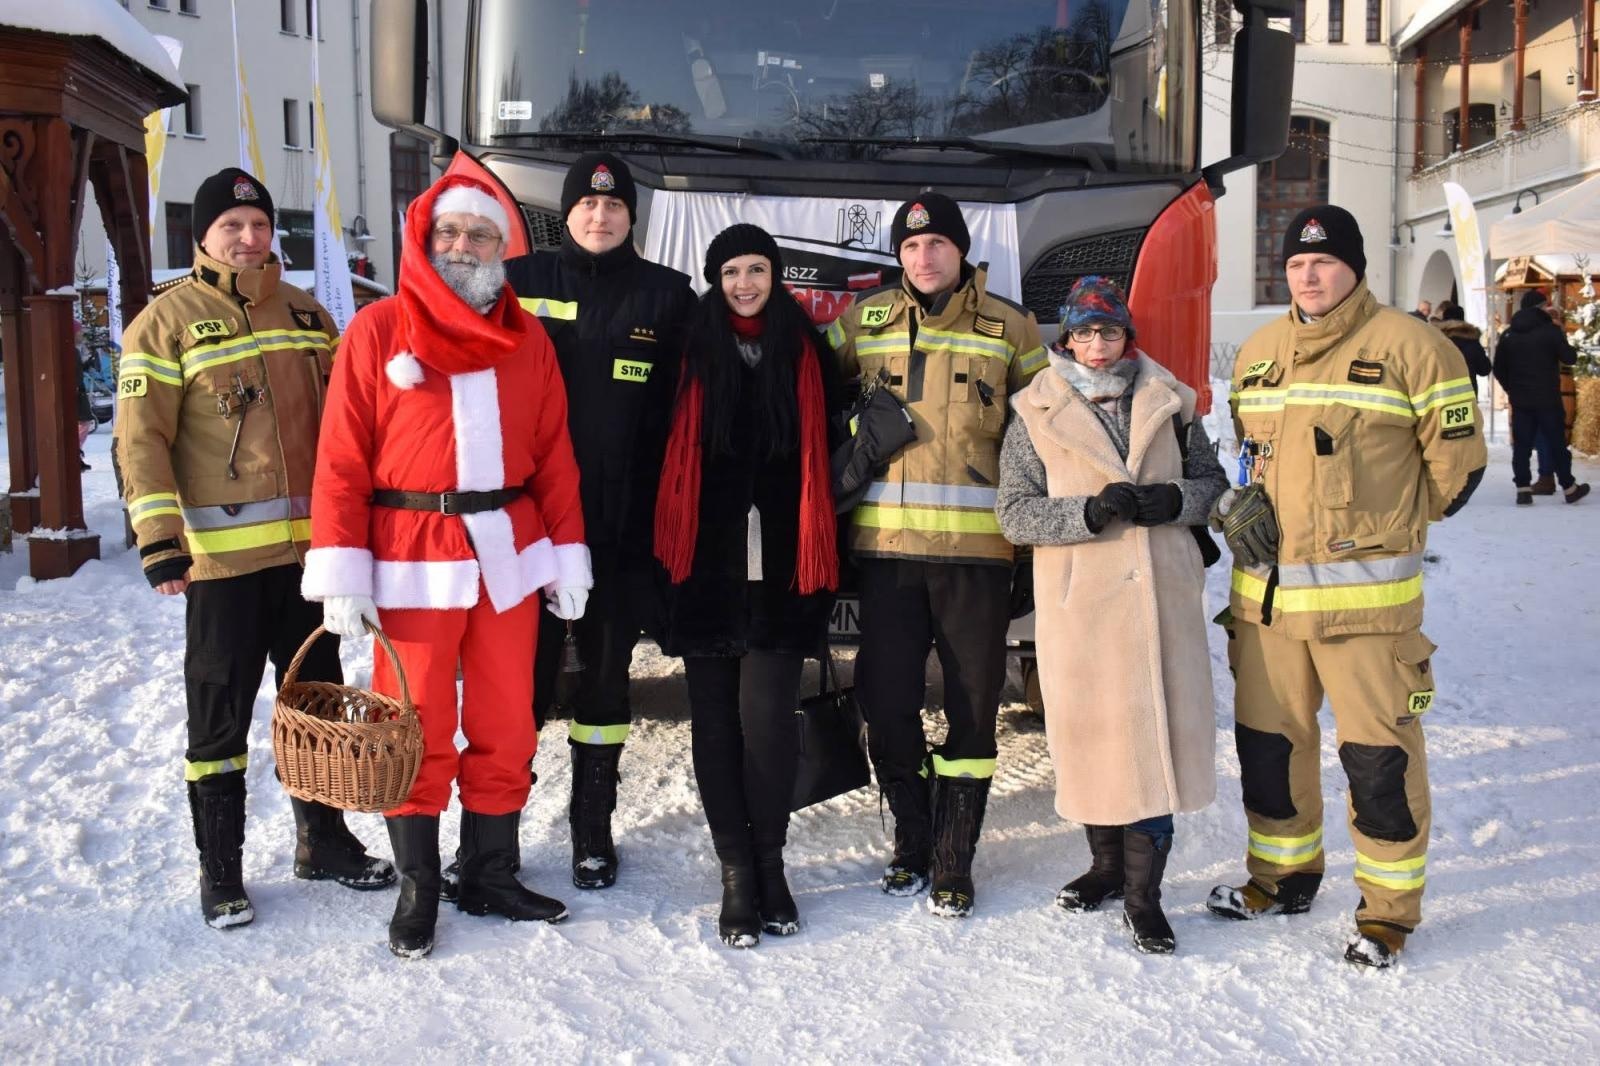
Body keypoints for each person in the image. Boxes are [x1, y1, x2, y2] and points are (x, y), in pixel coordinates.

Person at [303, 174, 592, 959]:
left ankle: (491, 870)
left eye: (481, 236)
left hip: (509, 553)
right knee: (415, 725)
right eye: (450, 234)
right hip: (412, 559)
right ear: (425, 241)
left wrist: (567, 554)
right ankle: (419, 885)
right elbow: (340, 462)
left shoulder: (529, 338)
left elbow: (556, 457)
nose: (464, 248)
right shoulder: (377, 329)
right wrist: (343, 572)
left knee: (507, 723)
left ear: (505, 250)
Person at [114, 168, 394, 930]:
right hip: (223, 565)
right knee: (218, 717)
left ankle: (325, 843)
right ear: (202, 236)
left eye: (259, 225)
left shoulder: (309, 314)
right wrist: (159, 542)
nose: (248, 238)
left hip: (309, 566)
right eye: (232, 225)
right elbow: (140, 442)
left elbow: (353, 425)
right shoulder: (164, 324)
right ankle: (222, 871)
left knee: (317, 710)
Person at [1207, 205, 1487, 969]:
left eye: (1325, 262)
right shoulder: (1260, 351)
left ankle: (1388, 914)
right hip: (1265, 605)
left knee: (1379, 763)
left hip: (1366, 611)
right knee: (1268, 750)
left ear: (1354, 267)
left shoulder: (1412, 346)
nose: (1310, 274)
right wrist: (1241, 503)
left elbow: (1457, 468)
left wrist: (1384, 525)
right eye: (1298, 264)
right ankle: (1282, 876)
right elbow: (1251, 456)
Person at [825, 193, 1048, 917]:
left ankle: (954, 862)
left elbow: (1050, 438)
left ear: (960, 251)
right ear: (899, 257)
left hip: (980, 560)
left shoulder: (1011, 329)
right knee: (884, 706)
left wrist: (1035, 553)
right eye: (912, 248)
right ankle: (912, 838)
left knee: (973, 712)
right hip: (886, 557)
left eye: (938, 246)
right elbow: (808, 399)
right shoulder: (863, 323)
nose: (925, 259)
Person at [996, 277, 1226, 955]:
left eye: (1110, 331)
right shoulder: (1033, 410)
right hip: (1082, 606)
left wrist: (1174, 501)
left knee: (1153, 742)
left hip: (1160, 598)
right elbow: (1014, 511)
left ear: (1128, 336)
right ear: (1065, 339)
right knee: (1095, 744)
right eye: (1085, 333)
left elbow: (1213, 485)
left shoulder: (1172, 401)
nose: (1098, 345)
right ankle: (1104, 868)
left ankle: (1143, 898)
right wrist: (1086, 513)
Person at [506, 153, 695, 892]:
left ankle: (592, 833)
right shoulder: (521, 284)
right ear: (568, 212)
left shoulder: (667, 296)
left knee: (606, 692)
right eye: (587, 204)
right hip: (527, 533)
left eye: (614, 207)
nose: (601, 216)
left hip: (619, 534)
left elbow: (693, 407)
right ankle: (496, 835)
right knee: (516, 692)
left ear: (631, 218)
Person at [653, 224, 843, 948]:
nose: (744, 282)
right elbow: (654, 447)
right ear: (714, 276)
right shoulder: (688, 342)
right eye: (731, 270)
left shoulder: (806, 346)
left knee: (766, 723)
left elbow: (830, 448)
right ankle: (735, 873)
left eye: (757, 269)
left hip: (786, 566)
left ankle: (772, 864)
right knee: (713, 724)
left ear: (775, 274)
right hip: (702, 563)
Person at [1493, 289, 1589, 505]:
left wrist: (1512, 388)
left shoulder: (1509, 334)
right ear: (1541, 307)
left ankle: (1523, 489)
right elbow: (1570, 358)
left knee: (1522, 445)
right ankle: (1569, 487)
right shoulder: (1550, 331)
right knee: (1556, 443)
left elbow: (1498, 368)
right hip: (1548, 398)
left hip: (1521, 399)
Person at [1433, 302, 1492, 398]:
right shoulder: (1472, 341)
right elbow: (1484, 369)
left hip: (1440, 395)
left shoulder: (1435, 340)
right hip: (1467, 396)